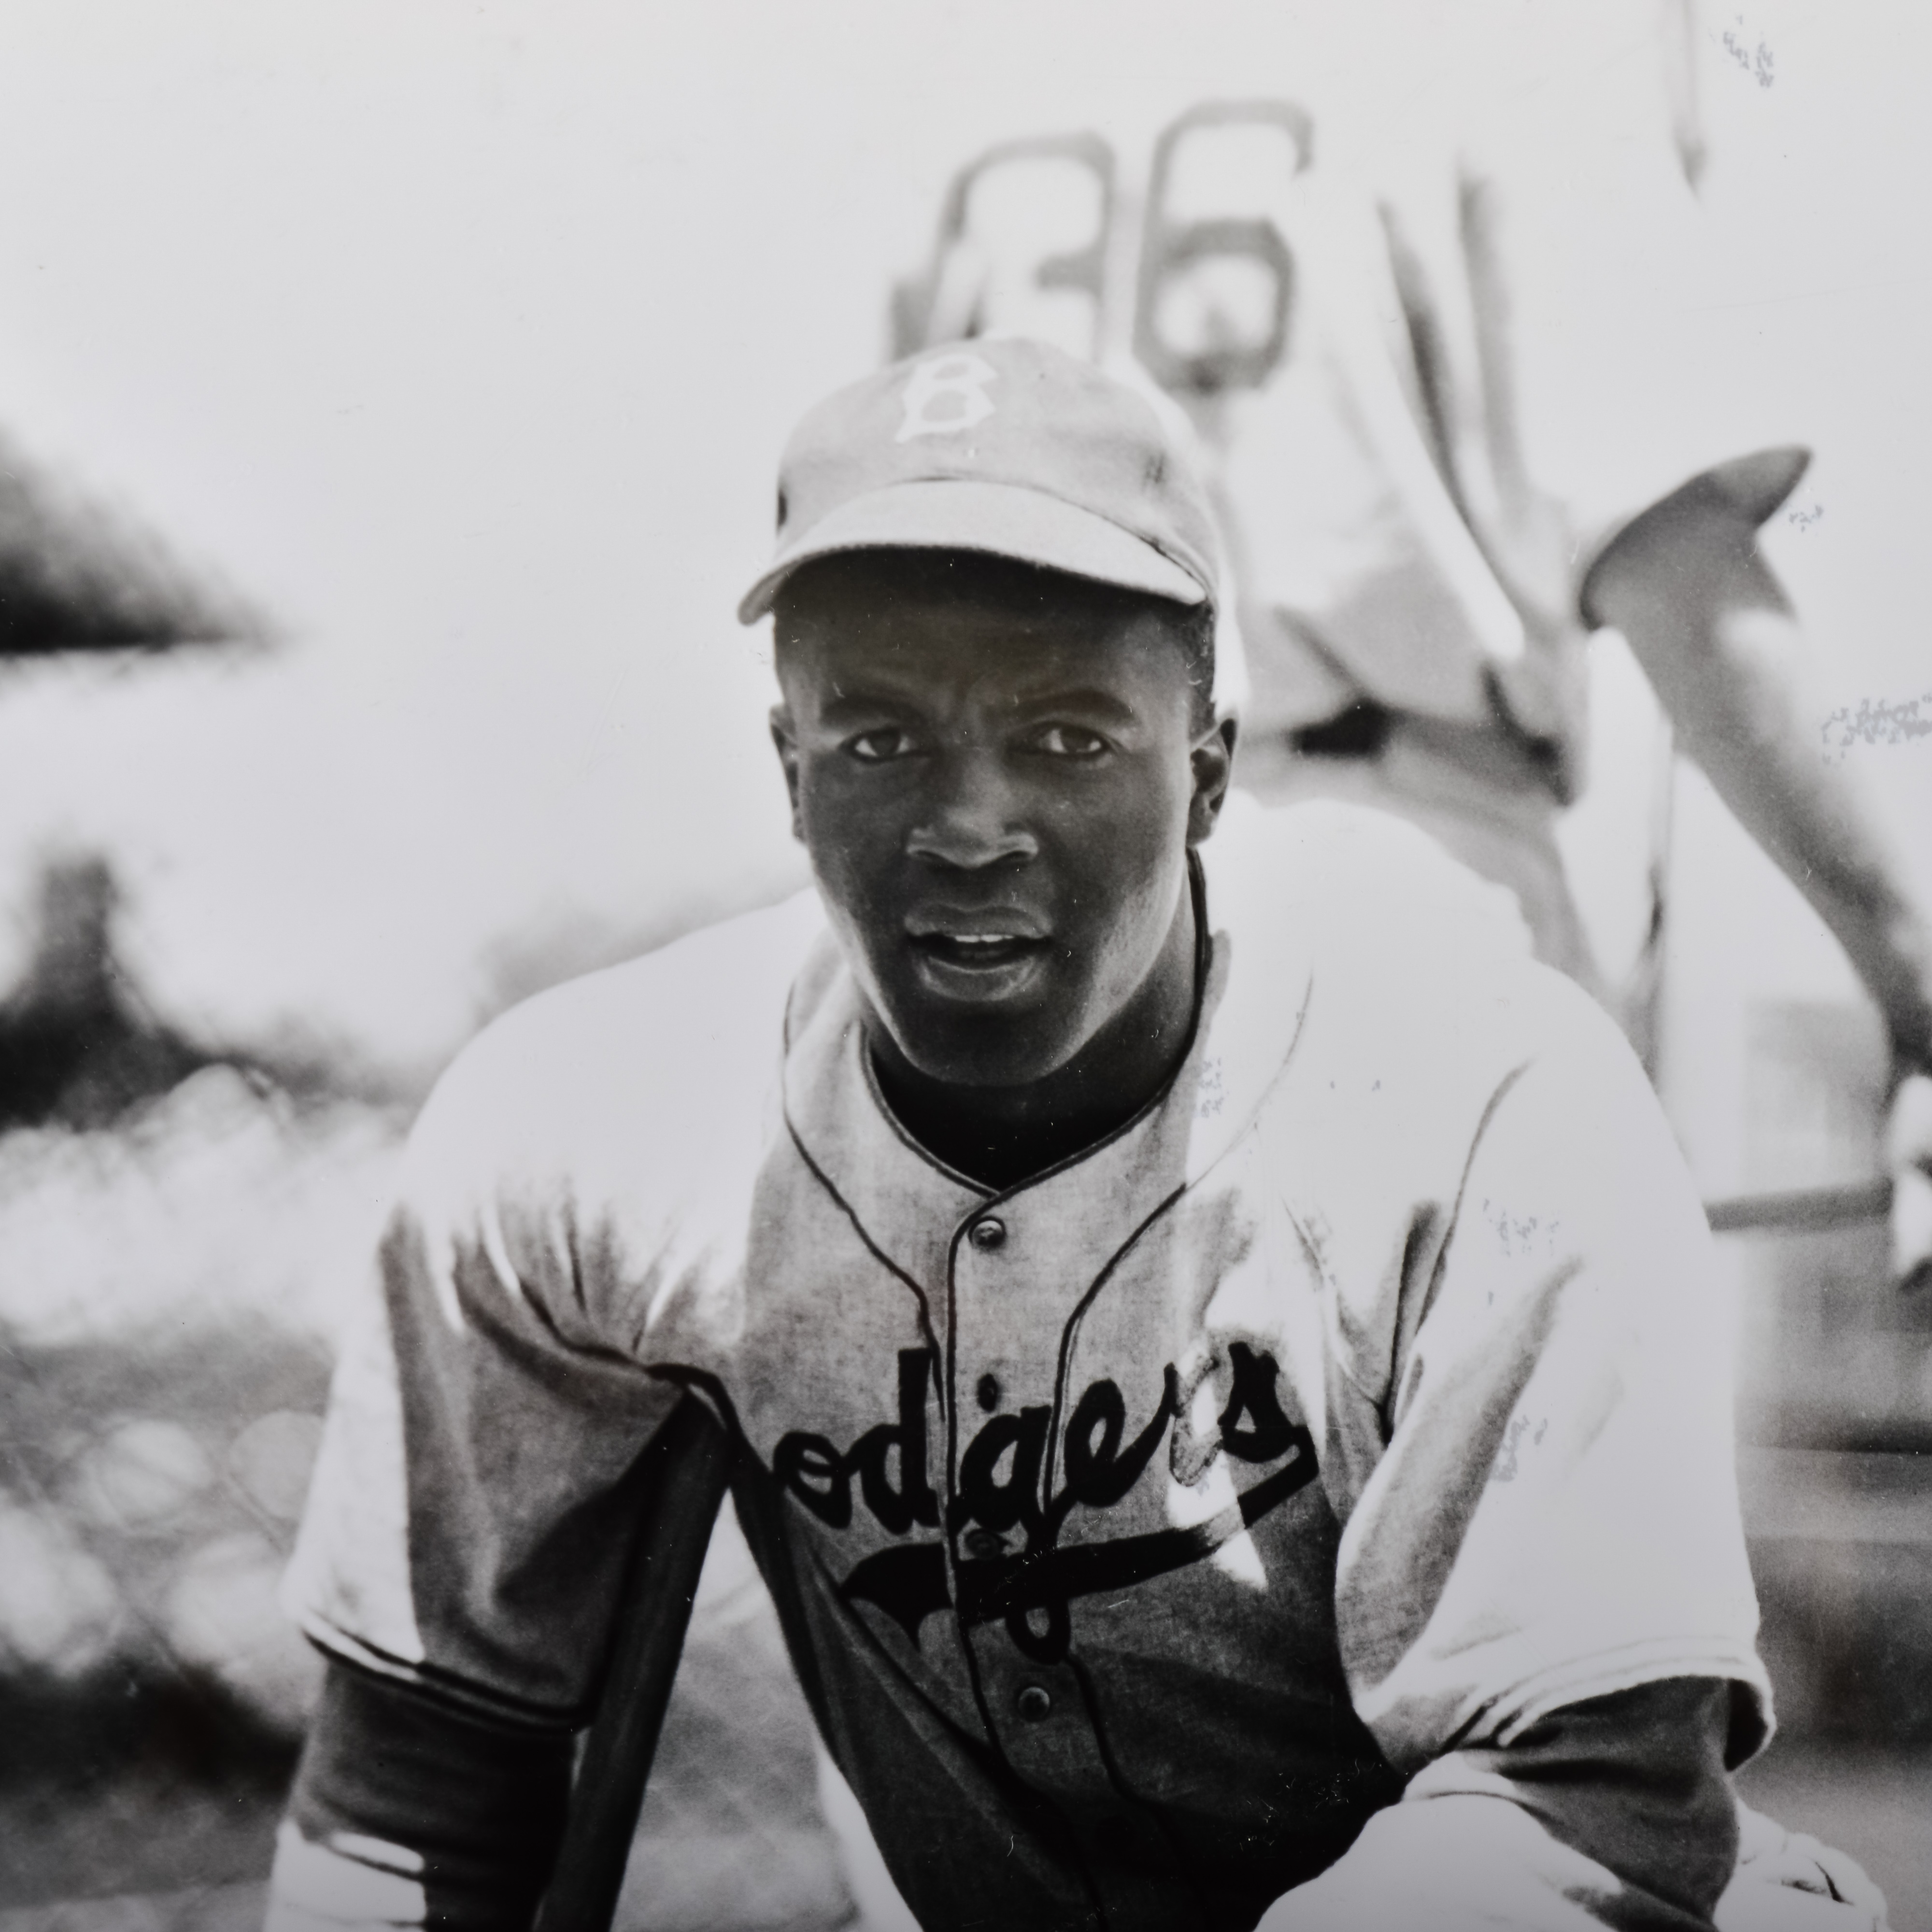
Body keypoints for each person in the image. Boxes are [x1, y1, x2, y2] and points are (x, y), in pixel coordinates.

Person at [270, 338, 1820, 1932]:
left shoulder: (1479, 1092)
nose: (968, 827)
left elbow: (1585, 1809)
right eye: (880, 741)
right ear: (790, 775)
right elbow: (411, 1798)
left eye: (1071, 738)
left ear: (1208, 771)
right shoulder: (600, 1132)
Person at [883, 18, 1932, 1293]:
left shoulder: (987, 95)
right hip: (1413, 906)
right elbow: (1672, 567)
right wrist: (1918, 1002)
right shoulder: (1503, 49)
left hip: (1066, 962)